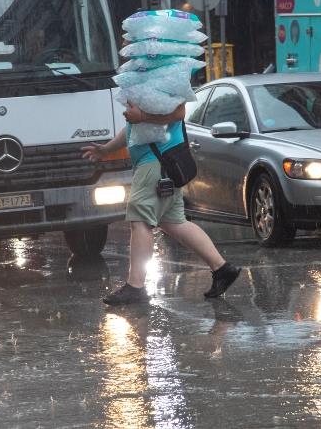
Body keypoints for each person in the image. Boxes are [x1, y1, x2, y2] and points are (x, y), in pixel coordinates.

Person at [82, 102, 242, 305]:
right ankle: (222, 269)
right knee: (173, 222)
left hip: (155, 162)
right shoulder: (147, 79)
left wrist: (141, 116)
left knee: (140, 220)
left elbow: (178, 113)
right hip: (159, 163)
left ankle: (136, 286)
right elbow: (133, 128)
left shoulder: (164, 76)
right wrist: (107, 149)